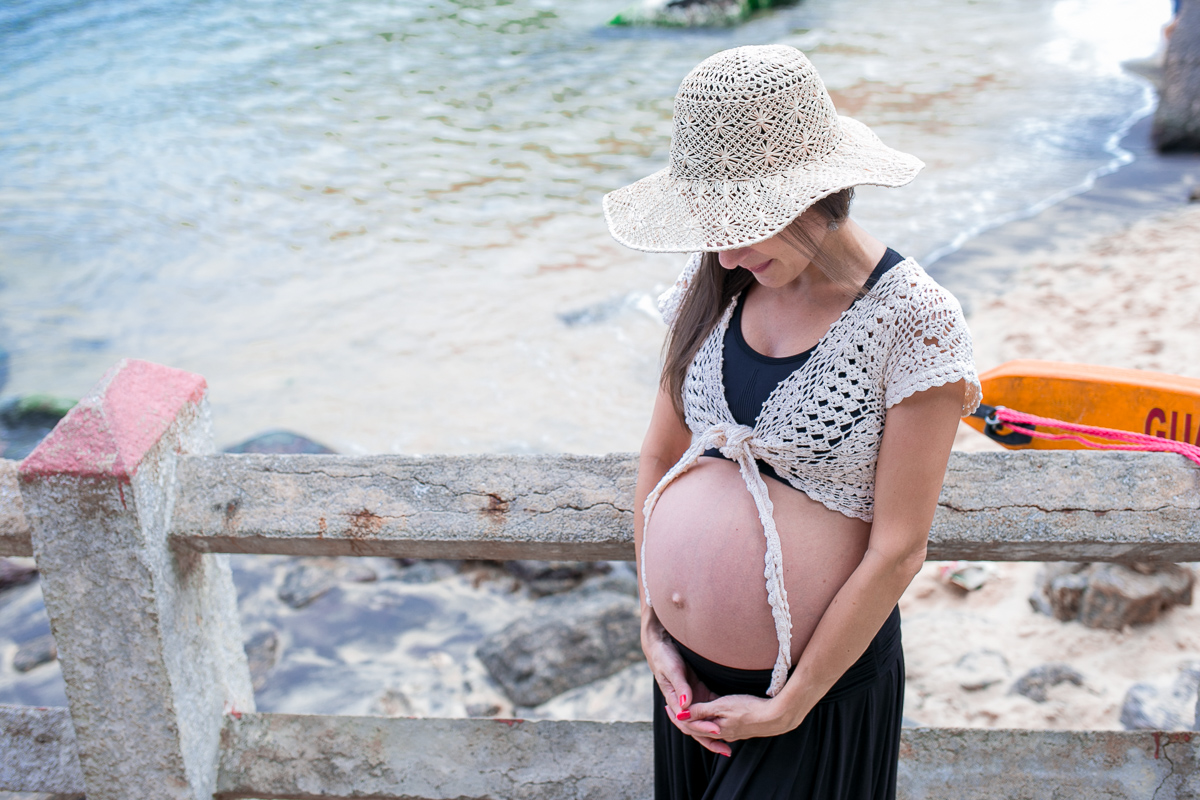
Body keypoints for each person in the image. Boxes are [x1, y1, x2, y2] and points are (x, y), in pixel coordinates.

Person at [601, 45, 982, 799]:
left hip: (814, 696)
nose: (727, 249)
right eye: (712, 224)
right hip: (685, 682)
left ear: (819, 192)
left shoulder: (913, 321)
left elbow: (899, 550)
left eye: (746, 223)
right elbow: (658, 459)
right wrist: (652, 624)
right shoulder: (713, 283)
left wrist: (791, 704)